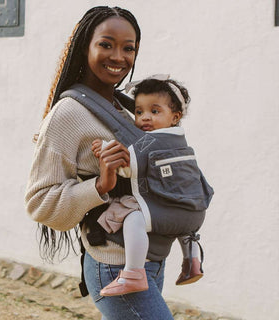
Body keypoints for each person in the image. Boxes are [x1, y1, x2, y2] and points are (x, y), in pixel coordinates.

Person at [25, 6, 177, 320]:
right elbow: (39, 203)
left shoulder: (128, 108)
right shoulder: (68, 115)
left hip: (149, 260)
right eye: (106, 44)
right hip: (113, 263)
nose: (118, 56)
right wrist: (100, 184)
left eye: (128, 48)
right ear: (85, 47)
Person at [91, 77, 206, 297]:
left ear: (175, 117)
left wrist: (104, 148)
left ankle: (133, 273)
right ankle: (192, 262)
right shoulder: (182, 142)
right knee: (181, 225)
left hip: (168, 216)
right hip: (193, 218)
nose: (145, 118)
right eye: (139, 111)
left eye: (155, 111)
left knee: (134, 219)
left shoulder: (148, 140)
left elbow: (128, 167)